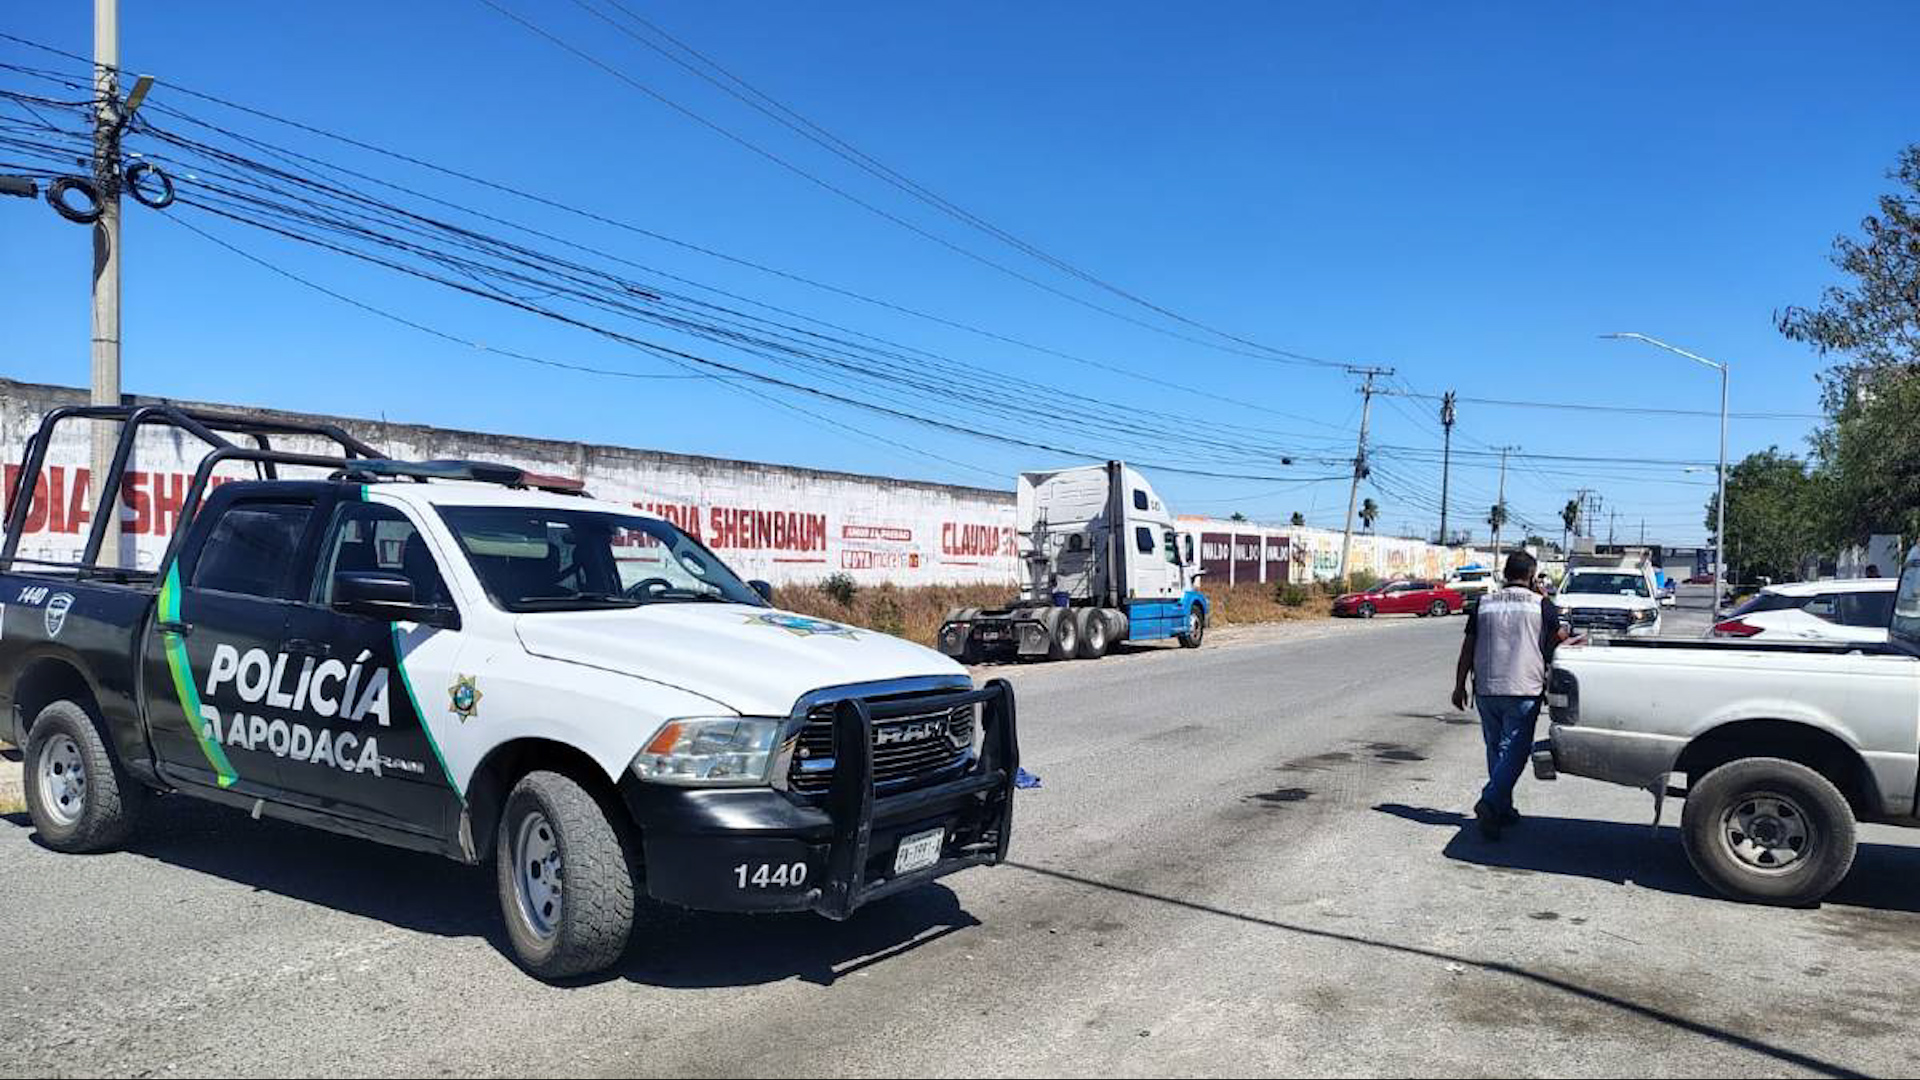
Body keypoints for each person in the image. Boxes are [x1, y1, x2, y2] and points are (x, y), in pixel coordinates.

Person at [1450, 550, 1567, 840]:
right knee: (1515, 752)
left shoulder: (1484, 603)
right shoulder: (1540, 604)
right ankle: (1490, 802)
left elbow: (1468, 647)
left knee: (1496, 749)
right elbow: (1558, 640)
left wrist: (1459, 684)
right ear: (1530, 575)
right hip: (1523, 688)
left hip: (1487, 688)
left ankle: (1503, 808)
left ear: (1504, 573)